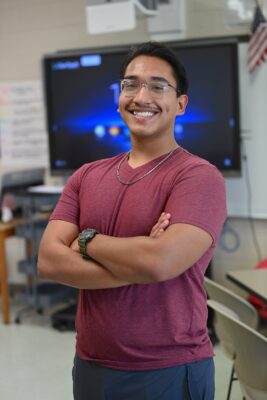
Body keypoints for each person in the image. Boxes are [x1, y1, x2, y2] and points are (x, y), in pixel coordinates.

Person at [38, 41, 227, 399]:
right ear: (118, 97)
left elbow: (160, 262)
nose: (142, 96)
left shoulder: (198, 177)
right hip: (91, 364)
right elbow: (48, 260)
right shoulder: (86, 176)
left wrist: (86, 240)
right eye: (130, 84)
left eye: (158, 86)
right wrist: (138, 259)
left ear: (180, 104)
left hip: (168, 368)